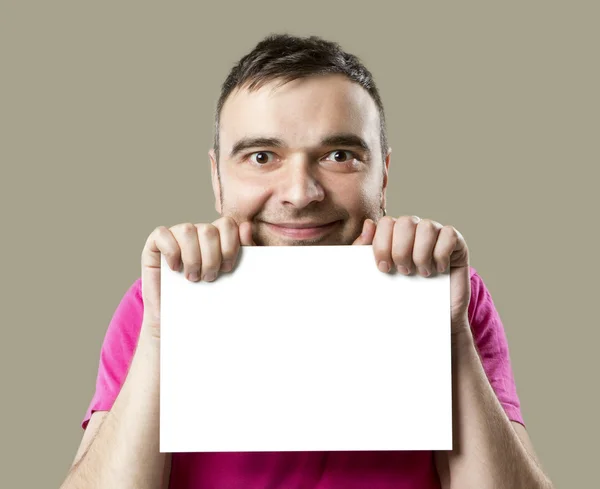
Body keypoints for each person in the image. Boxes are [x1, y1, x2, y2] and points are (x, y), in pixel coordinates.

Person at [60, 34, 554, 489]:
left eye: (339, 155)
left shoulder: (452, 294)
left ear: (382, 175)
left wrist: (448, 333)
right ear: (217, 179)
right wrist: (162, 334)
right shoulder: (158, 300)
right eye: (261, 156)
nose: (300, 193)